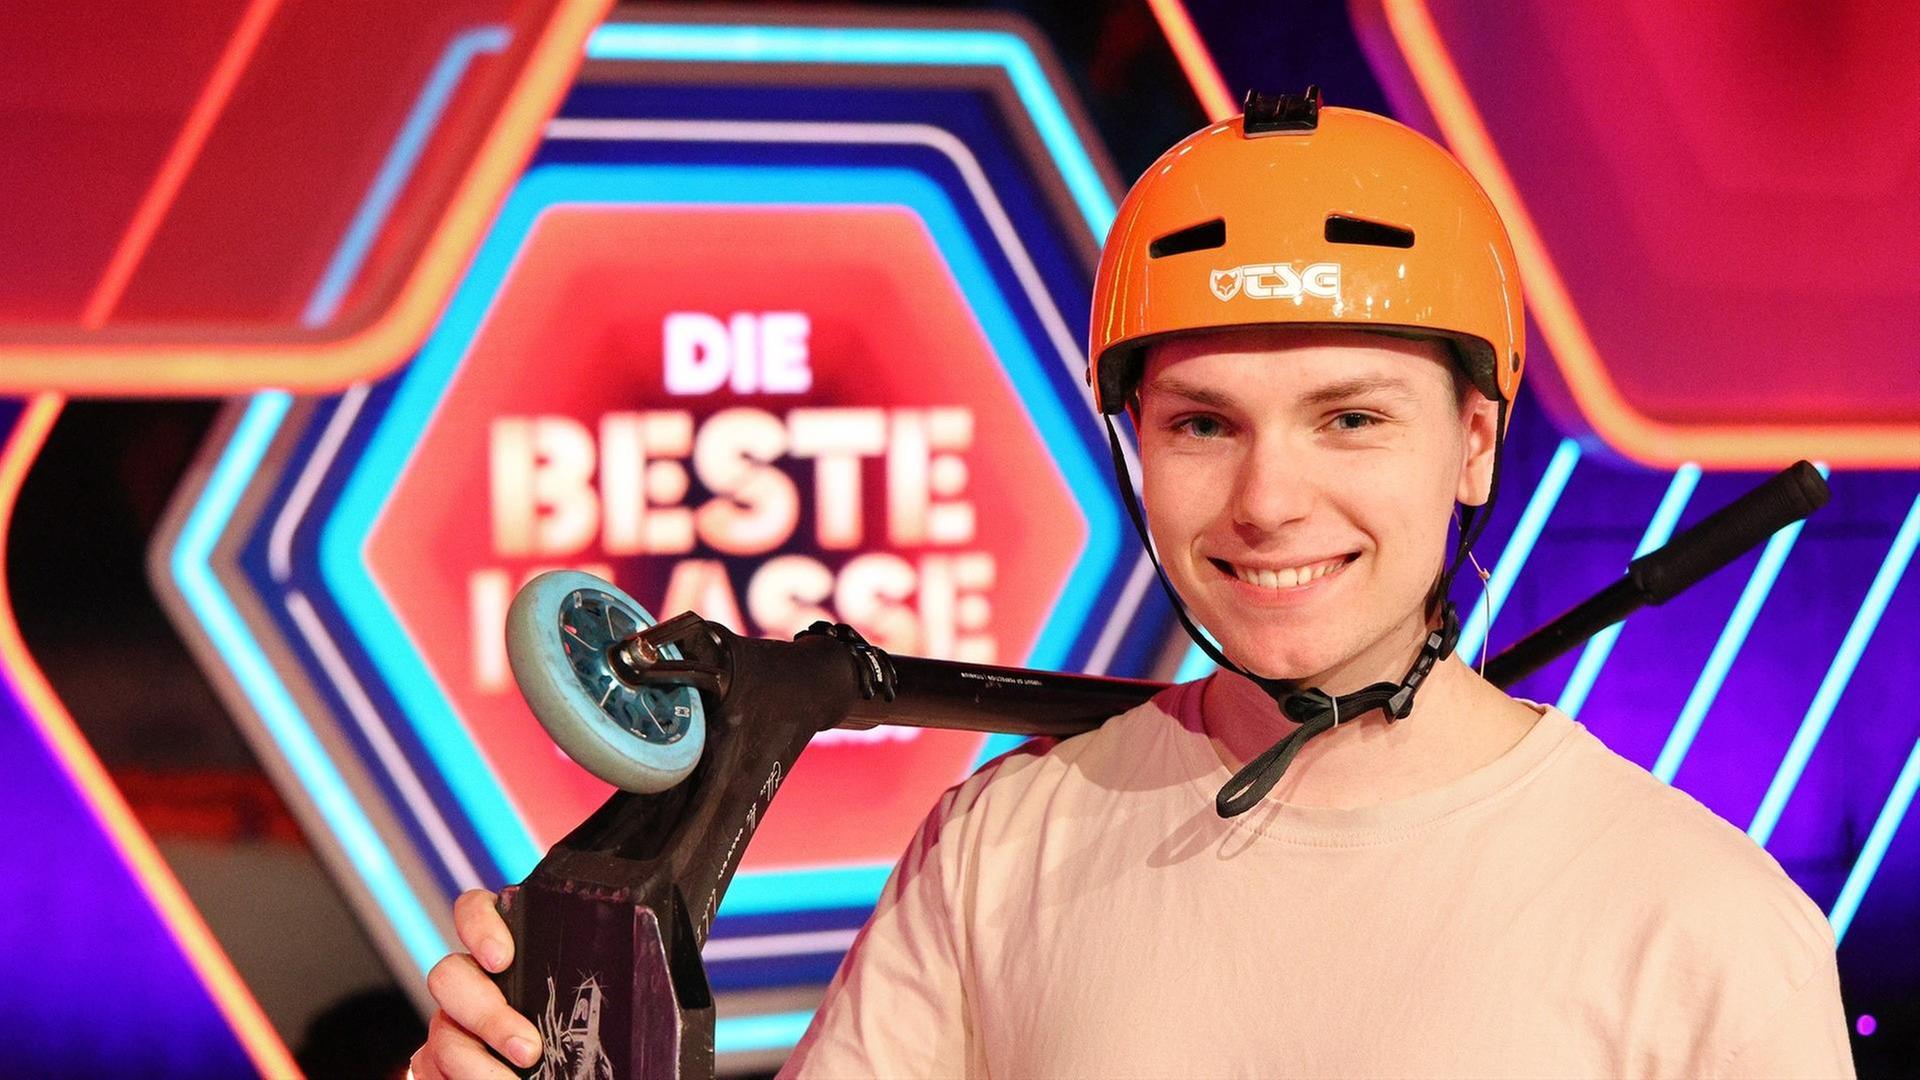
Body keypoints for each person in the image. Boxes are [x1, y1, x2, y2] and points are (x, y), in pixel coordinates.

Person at [412, 91, 1855, 1079]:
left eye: (1351, 418)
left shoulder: (1704, 928)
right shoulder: (1001, 851)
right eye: (1202, 425)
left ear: (1475, 440)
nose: (1269, 500)